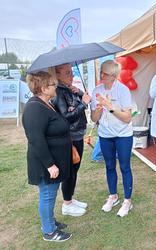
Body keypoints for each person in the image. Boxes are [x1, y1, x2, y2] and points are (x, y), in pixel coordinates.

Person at [22, 71, 72, 242]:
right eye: (53, 84)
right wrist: (50, 165)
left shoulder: (46, 103)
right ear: (43, 88)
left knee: (50, 193)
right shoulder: (34, 107)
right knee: (47, 195)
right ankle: (49, 232)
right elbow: (36, 139)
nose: (55, 87)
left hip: (54, 158)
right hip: (45, 162)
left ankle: (50, 222)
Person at [91, 60, 134, 217]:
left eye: (106, 74)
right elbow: (94, 118)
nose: (102, 76)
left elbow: (127, 118)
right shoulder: (97, 90)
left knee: (124, 167)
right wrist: (98, 109)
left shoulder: (123, 91)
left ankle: (127, 201)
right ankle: (113, 196)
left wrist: (110, 107)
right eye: (101, 72)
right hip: (105, 135)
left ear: (114, 76)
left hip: (123, 135)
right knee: (109, 166)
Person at [52, 64, 91, 217]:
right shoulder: (58, 92)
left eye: (71, 73)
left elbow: (75, 106)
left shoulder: (68, 88)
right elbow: (66, 117)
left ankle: (70, 199)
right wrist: (83, 103)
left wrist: (80, 93)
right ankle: (67, 204)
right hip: (69, 137)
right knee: (70, 171)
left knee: (74, 170)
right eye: (67, 73)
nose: (71, 76)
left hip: (77, 135)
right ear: (57, 75)